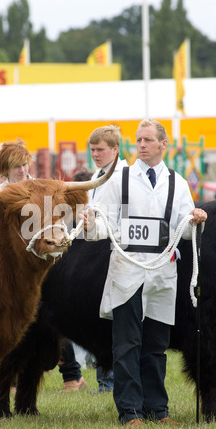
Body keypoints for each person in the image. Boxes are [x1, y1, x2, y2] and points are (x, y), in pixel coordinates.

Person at [80, 119, 207, 426]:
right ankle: (130, 411)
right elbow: (101, 225)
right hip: (127, 269)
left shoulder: (176, 182)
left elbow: (185, 231)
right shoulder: (118, 178)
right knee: (126, 343)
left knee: (155, 345)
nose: (141, 145)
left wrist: (196, 219)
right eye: (138, 140)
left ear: (164, 145)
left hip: (163, 271)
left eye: (148, 140)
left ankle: (158, 410)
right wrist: (88, 225)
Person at [89, 124, 128, 392]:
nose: (95, 154)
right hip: (96, 251)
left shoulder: (122, 177)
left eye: (100, 149)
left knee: (115, 319)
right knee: (100, 317)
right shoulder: (99, 174)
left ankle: (111, 380)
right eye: (92, 150)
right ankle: (105, 378)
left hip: (114, 252)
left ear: (115, 149)